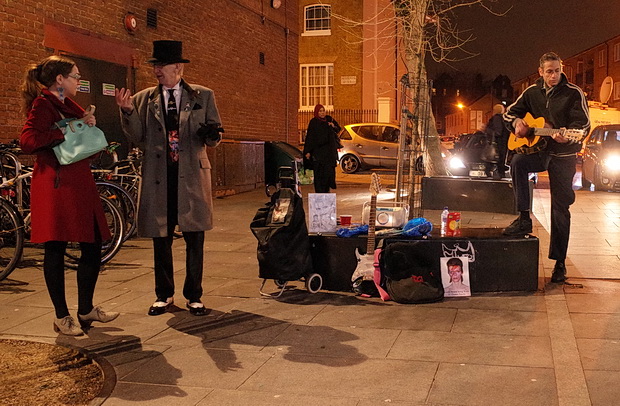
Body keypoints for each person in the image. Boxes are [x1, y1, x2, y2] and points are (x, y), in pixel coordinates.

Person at [115, 40, 223, 316]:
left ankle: (194, 296)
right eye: (154, 66)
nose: (156, 71)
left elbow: (214, 138)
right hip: (159, 176)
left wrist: (211, 135)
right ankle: (164, 295)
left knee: (194, 236)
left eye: (161, 65)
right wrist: (127, 112)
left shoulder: (203, 95)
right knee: (160, 238)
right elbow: (137, 137)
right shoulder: (143, 99)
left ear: (178, 67)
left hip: (191, 175)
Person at [20, 55, 119, 336]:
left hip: (77, 182)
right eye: (75, 76)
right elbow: (28, 140)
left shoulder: (66, 104)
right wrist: (66, 131)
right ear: (60, 80)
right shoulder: (43, 104)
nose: (79, 81)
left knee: (93, 242)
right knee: (56, 247)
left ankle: (85, 309)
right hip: (56, 184)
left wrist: (83, 123)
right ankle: (62, 317)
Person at [503, 52, 590, 284]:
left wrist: (569, 137)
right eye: (549, 71)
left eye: (558, 70)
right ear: (540, 72)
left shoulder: (574, 93)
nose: (554, 75)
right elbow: (510, 113)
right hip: (539, 152)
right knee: (518, 163)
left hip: (564, 155)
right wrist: (517, 123)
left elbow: (583, 125)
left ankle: (559, 263)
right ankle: (523, 217)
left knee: (560, 207)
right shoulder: (531, 93)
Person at [303, 104, 341, 193]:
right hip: (318, 152)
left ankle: (326, 192)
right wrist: (308, 151)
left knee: (328, 174)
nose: (322, 113)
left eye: (323, 110)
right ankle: (319, 193)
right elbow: (310, 137)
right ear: (317, 112)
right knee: (319, 174)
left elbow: (338, 129)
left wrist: (332, 126)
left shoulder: (329, 119)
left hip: (329, 153)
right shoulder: (314, 122)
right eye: (320, 111)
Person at [485, 103, 510, 178]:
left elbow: (498, 132)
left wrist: (486, 130)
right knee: (500, 163)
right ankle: (500, 175)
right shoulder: (504, 119)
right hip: (503, 145)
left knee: (492, 161)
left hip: (498, 144)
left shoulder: (497, 118)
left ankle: (493, 175)